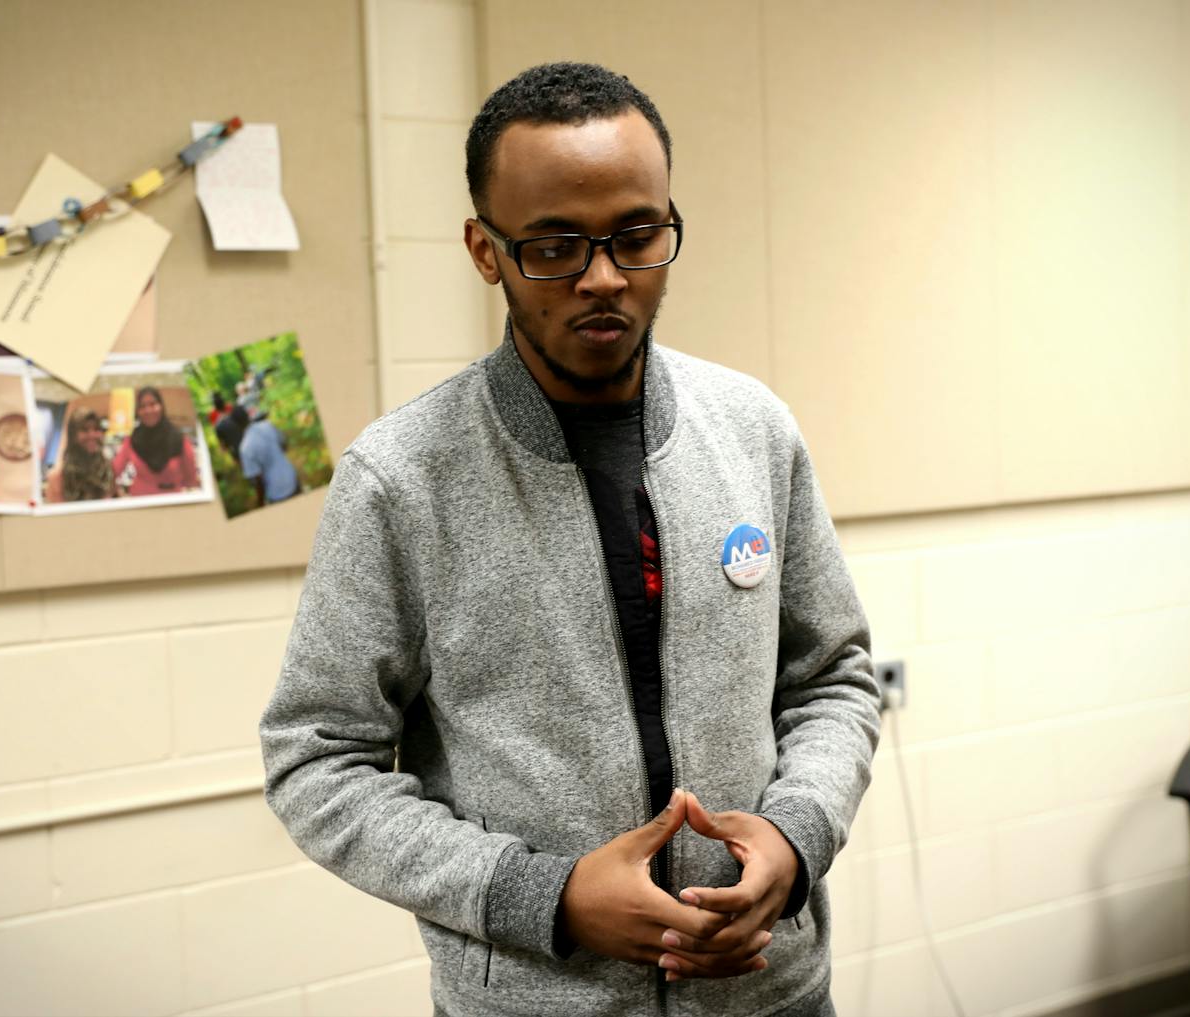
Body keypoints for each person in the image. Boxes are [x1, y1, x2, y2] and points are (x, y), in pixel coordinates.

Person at [260, 63, 879, 1017]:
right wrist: (540, 896)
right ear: (484, 248)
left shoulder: (752, 430)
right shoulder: (400, 479)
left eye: (637, 237)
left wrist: (794, 838)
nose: (602, 278)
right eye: (553, 246)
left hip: (772, 993)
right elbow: (317, 761)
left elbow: (832, 677)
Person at [110, 387, 198, 496]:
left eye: (153, 404)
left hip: (173, 502)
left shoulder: (179, 439)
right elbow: (114, 472)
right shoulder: (132, 440)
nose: (148, 410)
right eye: (142, 406)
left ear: (161, 406)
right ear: (137, 411)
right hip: (141, 503)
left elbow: (191, 479)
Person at [233, 405, 297, 507]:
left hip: (276, 493)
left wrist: (260, 502)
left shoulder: (245, 448)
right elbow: (284, 445)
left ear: (236, 425)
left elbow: (258, 480)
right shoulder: (267, 425)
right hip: (292, 478)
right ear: (247, 415)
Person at [45, 409, 113, 502]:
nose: (92, 435)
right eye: (85, 430)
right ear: (73, 435)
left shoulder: (107, 471)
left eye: (96, 429)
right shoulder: (58, 477)